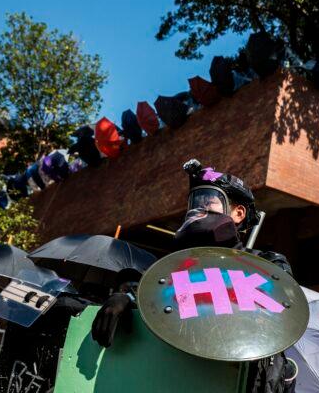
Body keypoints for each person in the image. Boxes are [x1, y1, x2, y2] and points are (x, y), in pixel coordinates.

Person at [91, 159, 296, 392]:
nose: (197, 209)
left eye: (208, 200)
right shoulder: (173, 269)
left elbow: (277, 310)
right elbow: (156, 301)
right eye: (194, 202)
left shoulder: (267, 265)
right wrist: (127, 299)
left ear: (238, 213)